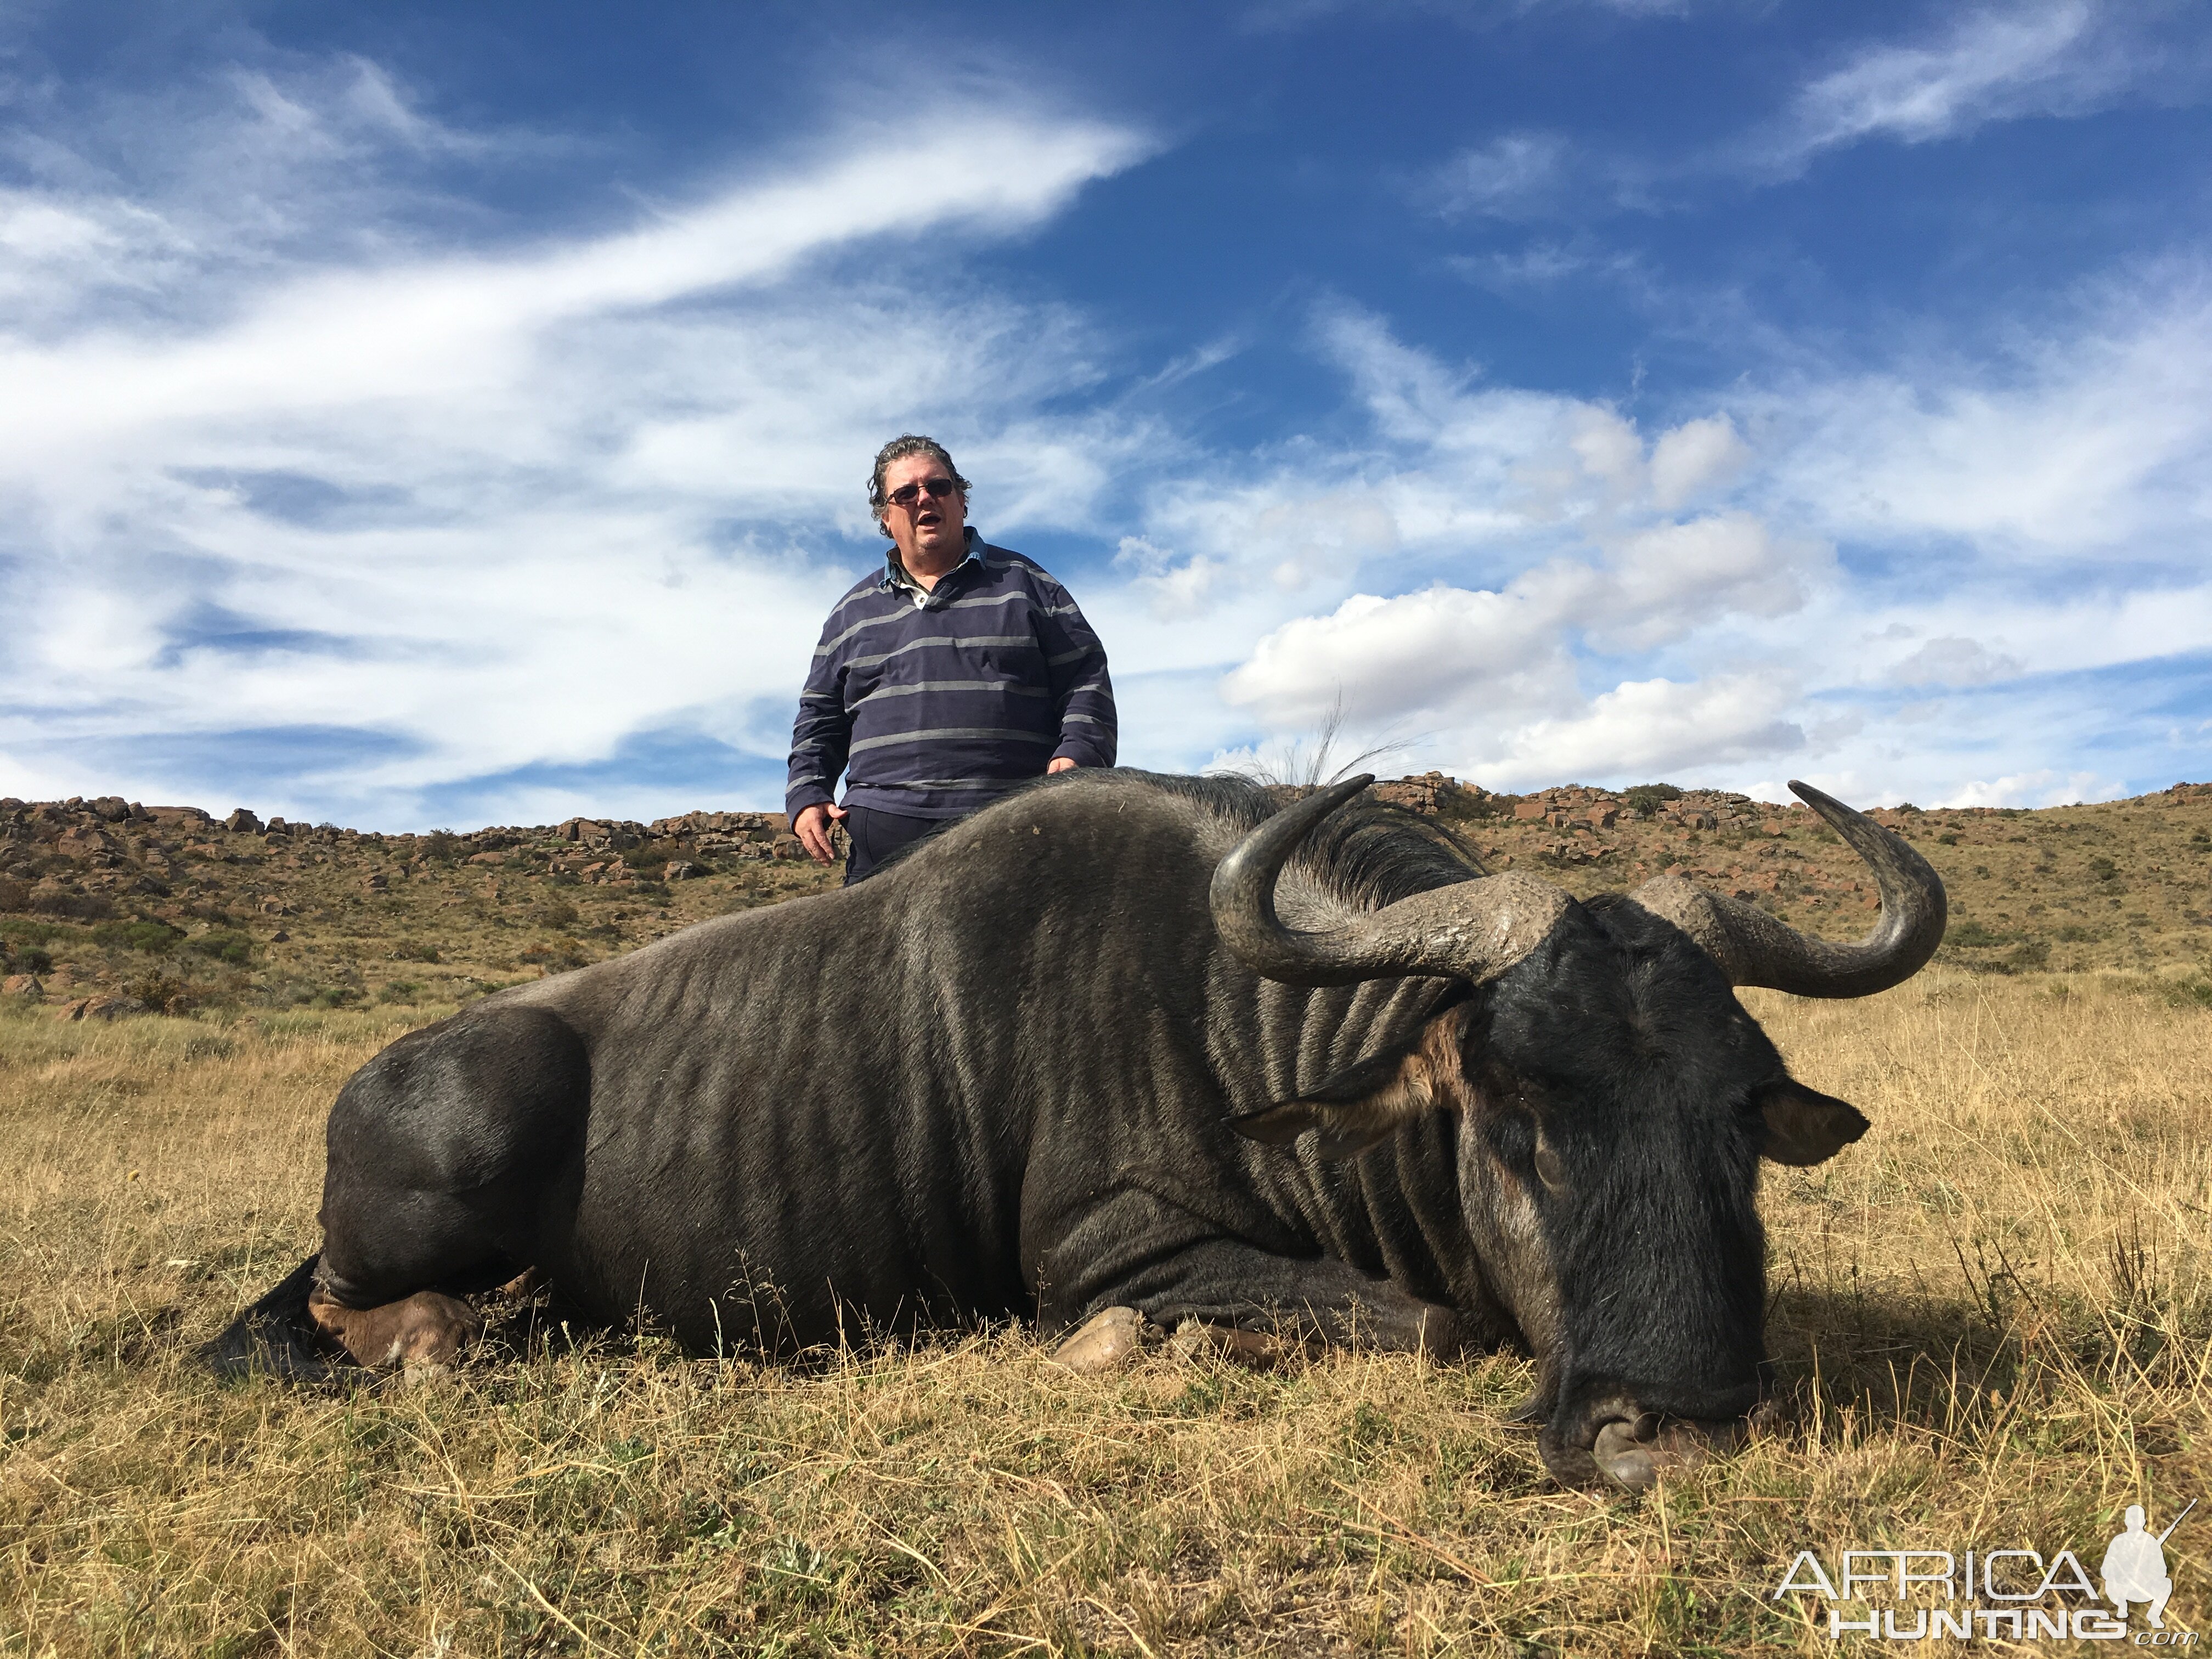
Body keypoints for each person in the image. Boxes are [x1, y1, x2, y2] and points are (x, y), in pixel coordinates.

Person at [786, 435, 1117, 883]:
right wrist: (807, 793)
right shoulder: (850, 613)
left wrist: (1079, 753)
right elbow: (819, 718)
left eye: (938, 487)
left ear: (961, 499)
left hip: (1014, 836)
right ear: (886, 517)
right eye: (905, 493)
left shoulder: (1031, 587)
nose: (924, 498)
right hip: (881, 851)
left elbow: (1086, 679)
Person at [2101, 1505, 2173, 1628]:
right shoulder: (2118, 1541)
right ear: (2126, 1521)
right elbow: (2106, 1570)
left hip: (2144, 1589)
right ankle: (2121, 1607)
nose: (2134, 1522)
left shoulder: (2150, 1542)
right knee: (2110, 1583)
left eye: (2137, 1519)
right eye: (2132, 1519)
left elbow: (2162, 1570)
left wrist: (2146, 1573)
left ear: (2144, 1522)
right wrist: (2121, 1573)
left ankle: (2154, 1615)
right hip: (2121, 1588)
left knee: (2166, 1584)